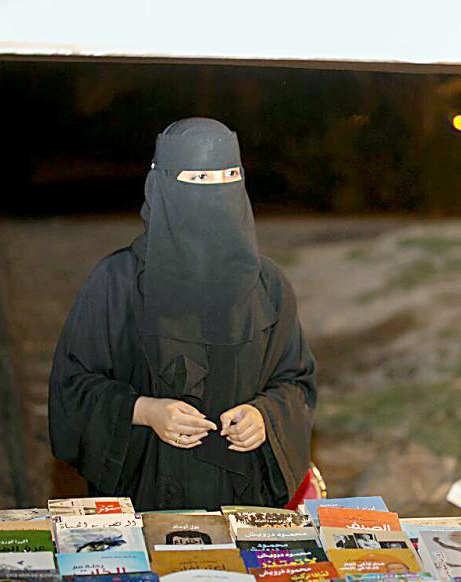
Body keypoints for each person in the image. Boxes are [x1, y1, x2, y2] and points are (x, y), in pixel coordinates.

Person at [49, 118, 316, 511]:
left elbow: (295, 382)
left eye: (229, 175)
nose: (216, 189)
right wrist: (145, 410)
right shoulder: (118, 282)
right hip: (142, 495)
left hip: (244, 502)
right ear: (166, 185)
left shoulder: (269, 286)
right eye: (200, 177)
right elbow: (71, 388)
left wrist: (266, 416)